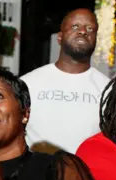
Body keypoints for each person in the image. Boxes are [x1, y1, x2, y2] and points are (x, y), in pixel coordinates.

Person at [21, 8, 110, 154]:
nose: (83, 31)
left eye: (90, 29)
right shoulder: (28, 83)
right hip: (36, 173)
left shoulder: (109, 89)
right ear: (60, 37)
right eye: (75, 26)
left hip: (87, 174)